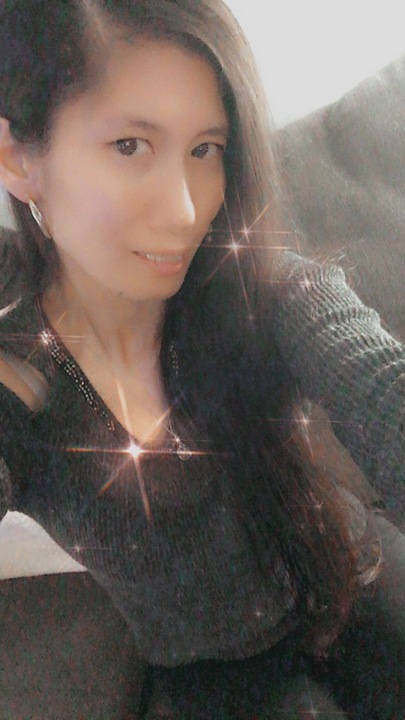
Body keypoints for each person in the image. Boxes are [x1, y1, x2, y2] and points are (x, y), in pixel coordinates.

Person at [0, 1, 404, 718]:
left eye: (206, 149)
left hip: (356, 569)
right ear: (18, 159)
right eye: (130, 145)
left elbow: (376, 383)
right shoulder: (19, 383)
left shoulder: (261, 292)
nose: (187, 211)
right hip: (218, 667)